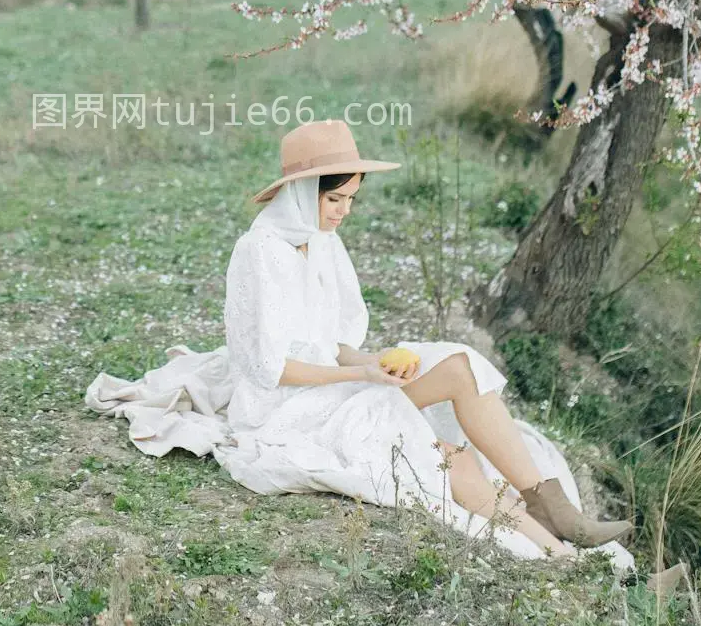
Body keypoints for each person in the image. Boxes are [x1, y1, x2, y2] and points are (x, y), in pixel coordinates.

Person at [219, 118, 634, 556]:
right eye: (334, 198)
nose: (344, 211)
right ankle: (563, 554)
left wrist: (373, 363)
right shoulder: (260, 252)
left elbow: (332, 343)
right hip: (287, 409)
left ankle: (552, 507)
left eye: (351, 199)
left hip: (336, 387)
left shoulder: (321, 240)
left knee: (461, 365)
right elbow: (272, 368)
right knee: (453, 459)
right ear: (302, 192)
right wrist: (359, 374)